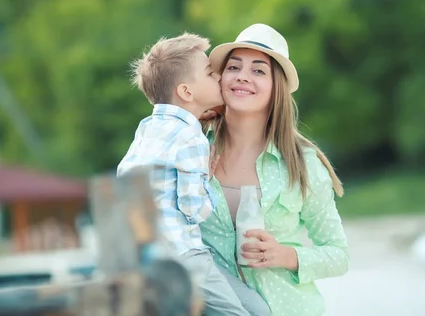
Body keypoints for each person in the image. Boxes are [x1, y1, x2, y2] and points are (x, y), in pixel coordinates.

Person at [201, 23, 350, 316]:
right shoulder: (192, 150)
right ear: (221, 78)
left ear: (275, 88)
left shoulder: (302, 163)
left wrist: (285, 255)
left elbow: (339, 255)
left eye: (258, 70)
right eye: (234, 67)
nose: (243, 76)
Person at [117, 33, 269, 316]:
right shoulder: (192, 139)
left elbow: (124, 175)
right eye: (210, 74)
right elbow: (194, 210)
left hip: (148, 256)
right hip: (184, 255)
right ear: (187, 92)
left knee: (256, 308)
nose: (219, 78)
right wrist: (207, 182)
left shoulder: (146, 128)